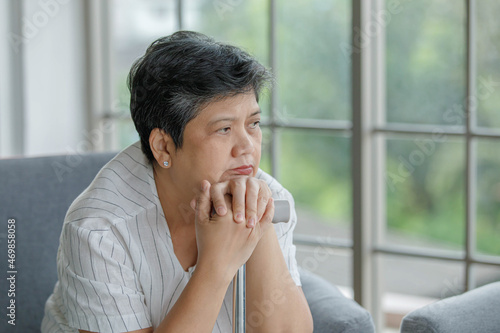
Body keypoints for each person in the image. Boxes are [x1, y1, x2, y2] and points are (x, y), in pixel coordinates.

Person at [41, 31, 313, 333]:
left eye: (253, 124)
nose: (247, 146)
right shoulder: (98, 231)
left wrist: (255, 223)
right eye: (224, 129)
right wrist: (216, 264)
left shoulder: (270, 195)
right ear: (164, 147)